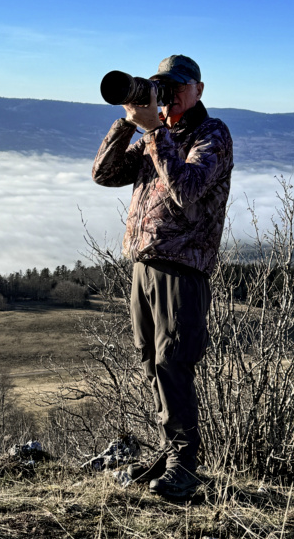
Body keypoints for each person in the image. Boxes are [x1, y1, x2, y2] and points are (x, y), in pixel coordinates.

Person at [92, 55, 233, 498]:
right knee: (151, 362)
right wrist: (128, 123)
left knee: (174, 362)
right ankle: (170, 453)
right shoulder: (162, 136)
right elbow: (104, 174)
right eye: (159, 86)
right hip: (143, 264)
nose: (167, 94)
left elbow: (188, 188)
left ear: (199, 89)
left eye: (175, 86)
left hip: (183, 267)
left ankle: (185, 465)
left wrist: (155, 132)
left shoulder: (211, 135)